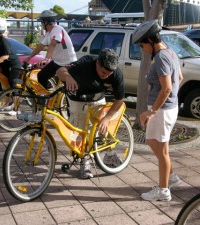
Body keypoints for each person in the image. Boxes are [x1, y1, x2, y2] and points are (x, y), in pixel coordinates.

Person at [132, 20, 183, 201]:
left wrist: (151, 111)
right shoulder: (170, 52)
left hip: (161, 111)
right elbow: (180, 77)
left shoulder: (161, 57)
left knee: (158, 148)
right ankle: (171, 177)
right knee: (163, 148)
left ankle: (163, 190)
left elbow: (167, 88)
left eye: (142, 45)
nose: (142, 49)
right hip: (169, 108)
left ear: (150, 41)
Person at [57, 48, 125, 179]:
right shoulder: (85, 62)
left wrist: (107, 118)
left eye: (109, 74)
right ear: (97, 63)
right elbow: (60, 71)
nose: (106, 76)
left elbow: (119, 100)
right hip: (77, 97)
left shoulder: (116, 73)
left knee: (103, 126)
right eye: (103, 72)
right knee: (80, 130)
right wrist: (68, 77)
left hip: (97, 97)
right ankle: (85, 161)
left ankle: (110, 156)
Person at [24, 10, 77, 89]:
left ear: (46, 22)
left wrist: (46, 58)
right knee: (41, 76)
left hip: (68, 63)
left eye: (42, 22)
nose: (41, 24)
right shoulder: (49, 33)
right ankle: (47, 97)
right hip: (57, 62)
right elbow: (41, 46)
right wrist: (29, 56)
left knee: (67, 87)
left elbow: (53, 44)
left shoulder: (58, 29)